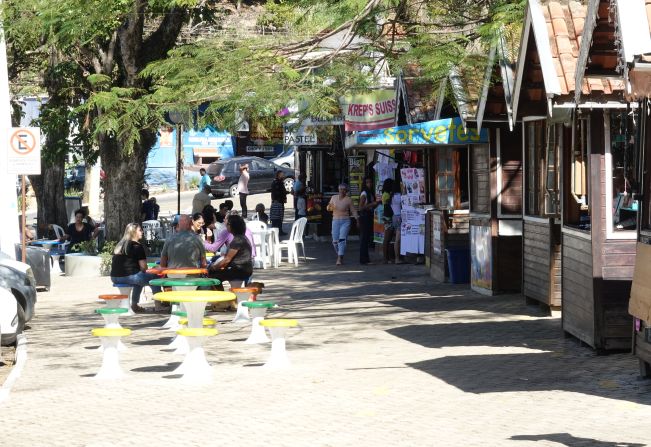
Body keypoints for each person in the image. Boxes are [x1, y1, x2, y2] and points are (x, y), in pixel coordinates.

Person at [110, 223, 162, 313]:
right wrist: (155, 268)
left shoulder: (120, 246)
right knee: (154, 278)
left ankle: (134, 306)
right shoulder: (137, 246)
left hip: (114, 277)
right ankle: (158, 306)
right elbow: (144, 267)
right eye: (140, 230)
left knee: (139, 279)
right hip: (129, 277)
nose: (142, 232)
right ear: (133, 232)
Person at [207, 214, 253, 288]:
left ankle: (220, 296)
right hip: (243, 268)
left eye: (227, 224)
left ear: (233, 226)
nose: (226, 226)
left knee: (213, 275)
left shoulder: (237, 240)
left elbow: (227, 260)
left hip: (240, 270)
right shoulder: (241, 237)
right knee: (216, 273)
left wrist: (214, 267)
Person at [327, 183, 358, 265]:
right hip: (335, 221)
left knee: (342, 239)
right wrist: (329, 207)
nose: (342, 191)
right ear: (338, 189)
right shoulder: (333, 197)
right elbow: (328, 207)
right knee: (335, 241)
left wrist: (357, 219)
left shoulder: (349, 199)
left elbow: (353, 210)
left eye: (344, 189)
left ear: (346, 191)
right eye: (340, 189)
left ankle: (340, 258)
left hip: (345, 221)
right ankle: (340, 254)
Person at [359, 176, 379, 264]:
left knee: (367, 238)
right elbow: (361, 207)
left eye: (370, 182)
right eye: (367, 182)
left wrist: (375, 204)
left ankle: (366, 259)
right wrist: (372, 204)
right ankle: (363, 259)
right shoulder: (364, 193)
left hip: (369, 215)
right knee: (364, 238)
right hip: (365, 216)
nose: (369, 184)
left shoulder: (370, 193)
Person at [382, 179, 403, 264]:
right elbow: (387, 207)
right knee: (388, 238)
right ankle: (386, 258)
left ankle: (389, 257)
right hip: (389, 217)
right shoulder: (387, 195)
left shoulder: (388, 194)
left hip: (390, 217)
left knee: (390, 238)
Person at [270, 171, 288, 235]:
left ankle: (279, 230)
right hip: (278, 202)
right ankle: (278, 231)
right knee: (277, 217)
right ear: (278, 175)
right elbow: (276, 192)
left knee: (279, 217)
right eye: (282, 175)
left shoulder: (279, 182)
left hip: (279, 201)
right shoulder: (277, 182)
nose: (283, 176)